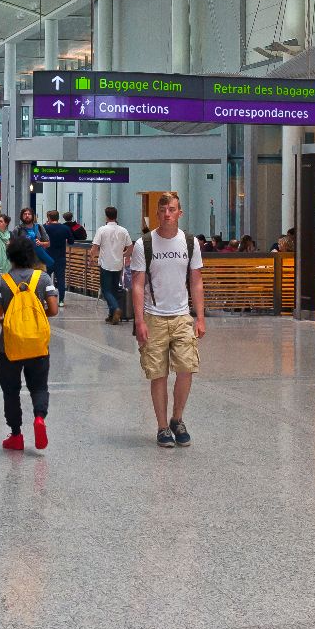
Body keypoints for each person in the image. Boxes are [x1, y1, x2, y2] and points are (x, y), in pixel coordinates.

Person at [128, 191, 205, 448]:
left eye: (172, 209)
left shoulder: (190, 243)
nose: (167, 214)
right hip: (154, 317)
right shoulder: (144, 245)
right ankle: (162, 427)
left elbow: (196, 280)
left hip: (182, 315)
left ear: (179, 213)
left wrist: (200, 317)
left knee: (186, 368)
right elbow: (137, 285)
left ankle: (177, 418)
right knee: (157, 373)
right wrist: (139, 321)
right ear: (157, 213)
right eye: (163, 210)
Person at [0, 236, 59, 451]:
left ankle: (16, 435)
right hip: (37, 345)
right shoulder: (43, 279)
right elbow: (53, 309)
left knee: (11, 391)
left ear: (10, 256)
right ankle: (39, 418)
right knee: (39, 387)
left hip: (10, 347)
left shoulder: (2, 281)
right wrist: (35, 316)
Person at [89, 205, 132, 325]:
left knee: (106, 290)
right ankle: (111, 314)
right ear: (116, 216)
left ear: (106, 216)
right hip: (118, 264)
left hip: (105, 264)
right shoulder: (123, 230)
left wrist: (91, 258)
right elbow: (130, 247)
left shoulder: (102, 230)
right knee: (114, 290)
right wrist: (123, 255)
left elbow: (95, 247)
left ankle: (115, 307)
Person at [44, 208, 73, 305]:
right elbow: (71, 241)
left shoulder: (45, 228)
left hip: (48, 257)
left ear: (49, 218)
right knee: (61, 279)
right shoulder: (65, 228)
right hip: (61, 257)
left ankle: (45, 298)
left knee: (44, 278)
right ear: (58, 217)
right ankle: (61, 300)